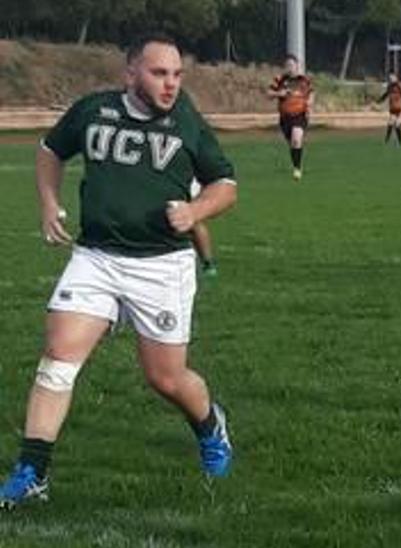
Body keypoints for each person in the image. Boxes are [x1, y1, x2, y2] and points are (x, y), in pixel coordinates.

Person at [1, 34, 238, 509]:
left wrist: (195, 213)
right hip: (97, 258)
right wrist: (49, 202)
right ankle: (33, 473)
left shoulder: (186, 121)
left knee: (165, 379)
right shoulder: (93, 111)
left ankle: (210, 426)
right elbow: (51, 150)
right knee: (59, 353)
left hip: (162, 266)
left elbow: (225, 184)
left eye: (176, 74)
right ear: (130, 73)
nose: (171, 84)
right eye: (159, 73)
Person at [267, 53, 314, 181]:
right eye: (288, 65)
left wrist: (309, 104)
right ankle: (296, 164)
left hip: (299, 115)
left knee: (296, 139)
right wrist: (279, 93)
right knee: (292, 144)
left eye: (292, 65)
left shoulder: (304, 80)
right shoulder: (280, 80)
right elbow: (268, 93)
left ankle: (297, 169)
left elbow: (311, 93)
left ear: (297, 66)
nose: (290, 68)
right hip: (285, 117)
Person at [377, 73, 401, 145]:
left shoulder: (399, 86)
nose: (390, 80)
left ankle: (388, 140)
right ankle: (398, 141)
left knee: (392, 123)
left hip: (397, 107)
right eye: (390, 79)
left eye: (391, 79)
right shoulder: (390, 87)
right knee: (395, 124)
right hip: (392, 107)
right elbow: (386, 94)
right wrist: (380, 100)